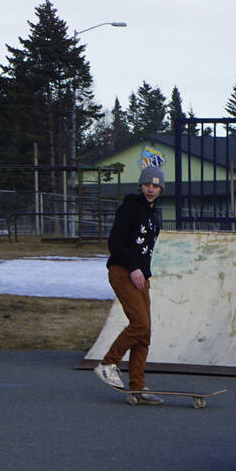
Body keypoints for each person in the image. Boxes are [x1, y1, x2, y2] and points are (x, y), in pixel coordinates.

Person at [93, 166, 165, 401]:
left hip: (140, 275)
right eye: (147, 185)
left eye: (155, 186)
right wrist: (133, 267)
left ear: (161, 188)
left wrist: (142, 271)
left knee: (145, 333)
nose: (150, 190)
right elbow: (116, 242)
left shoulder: (155, 214)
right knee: (139, 323)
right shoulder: (130, 207)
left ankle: (138, 386)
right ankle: (108, 363)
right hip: (122, 271)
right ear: (140, 186)